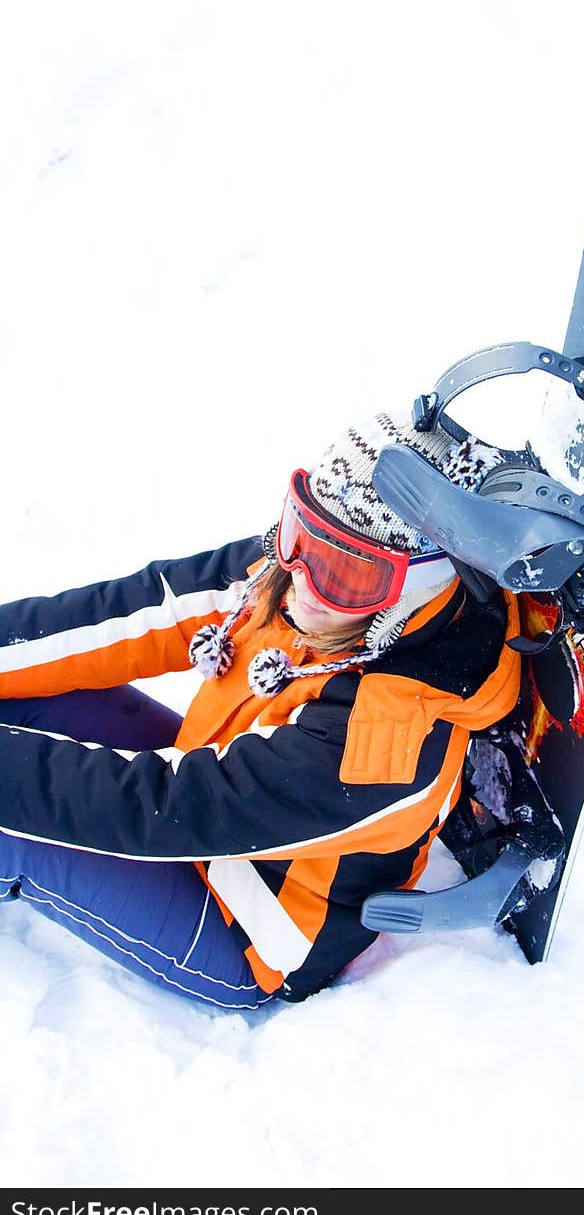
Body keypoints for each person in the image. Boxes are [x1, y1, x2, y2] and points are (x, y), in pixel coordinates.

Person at [0, 410, 524, 1010]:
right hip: (214, 803)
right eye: (298, 533)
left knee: (11, 834)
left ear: (416, 590)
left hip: (246, 926)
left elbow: (166, 806)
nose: (300, 579)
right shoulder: (307, 572)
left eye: (343, 572)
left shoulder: (387, 745)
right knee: (37, 688)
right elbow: (130, 614)